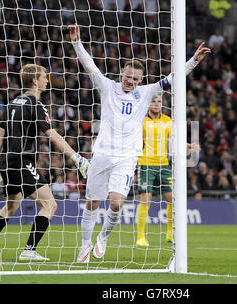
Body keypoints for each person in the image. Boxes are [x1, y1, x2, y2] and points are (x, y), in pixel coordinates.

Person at [67, 24, 210, 263]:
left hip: (127, 157)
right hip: (102, 153)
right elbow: (89, 66)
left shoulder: (146, 92)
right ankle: (85, 244)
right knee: (92, 202)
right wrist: (76, 43)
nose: (130, 81)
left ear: (140, 79)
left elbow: (172, 78)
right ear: (121, 73)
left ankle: (102, 237)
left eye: (135, 78)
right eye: (127, 77)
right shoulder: (107, 87)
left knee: (116, 203)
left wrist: (193, 61)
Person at [0, 64, 90, 261]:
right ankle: (29, 250)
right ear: (35, 80)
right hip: (22, 160)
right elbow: (52, 135)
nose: (47, 80)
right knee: (50, 205)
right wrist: (76, 158)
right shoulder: (34, 104)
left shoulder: (12, 103)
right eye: (45, 77)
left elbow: (0, 135)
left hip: (7, 162)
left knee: (11, 206)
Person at [136, 96, 200, 247]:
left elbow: (176, 140)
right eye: (153, 102)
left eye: (159, 102)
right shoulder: (141, 121)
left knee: (172, 198)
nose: (157, 104)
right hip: (145, 164)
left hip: (164, 164)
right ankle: (140, 237)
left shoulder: (167, 121)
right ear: (148, 104)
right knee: (146, 199)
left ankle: (170, 233)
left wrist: (190, 146)